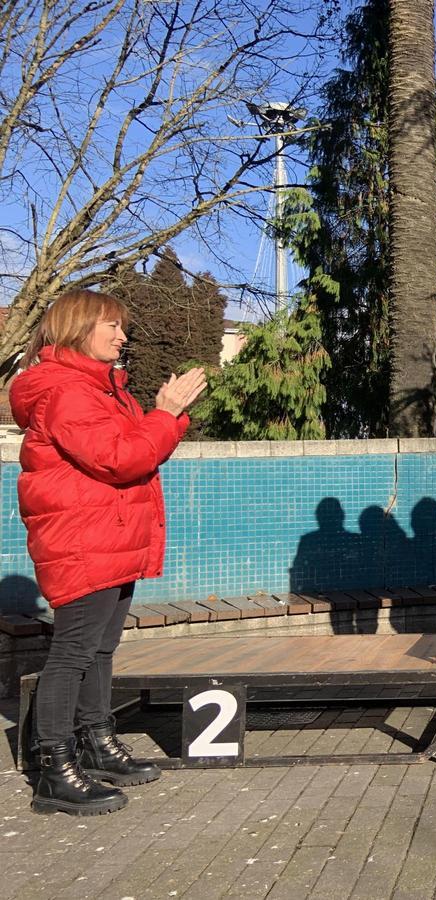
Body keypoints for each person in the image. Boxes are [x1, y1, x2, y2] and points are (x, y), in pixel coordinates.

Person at [10, 289, 206, 816]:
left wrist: (170, 417)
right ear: (76, 328)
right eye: (111, 326)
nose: (122, 337)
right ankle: (54, 769)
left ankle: (95, 743)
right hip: (82, 540)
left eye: (122, 327)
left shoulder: (102, 390)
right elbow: (120, 459)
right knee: (73, 650)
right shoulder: (67, 392)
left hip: (108, 535)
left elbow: (138, 451)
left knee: (100, 648)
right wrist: (166, 412)